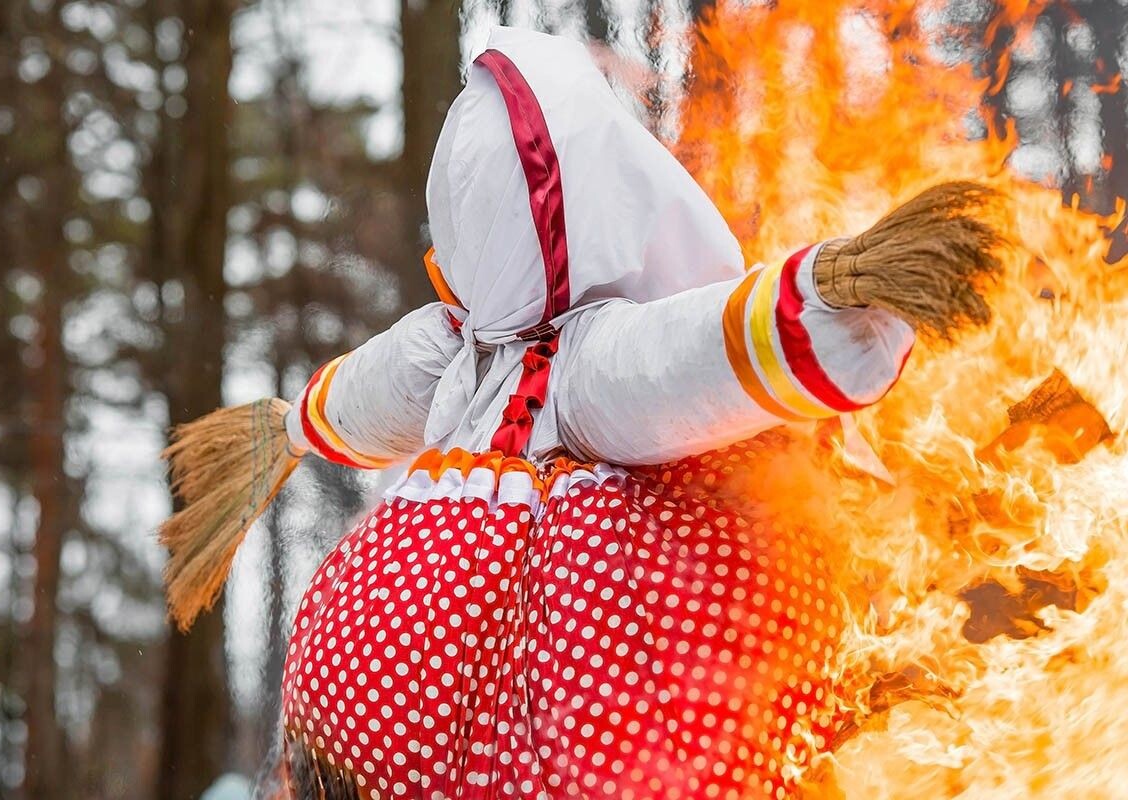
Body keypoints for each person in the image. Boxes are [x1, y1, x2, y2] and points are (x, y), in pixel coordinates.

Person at [163, 26, 1001, 800]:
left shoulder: (459, 345)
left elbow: (363, 394)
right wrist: (829, 302)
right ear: (615, 194)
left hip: (373, 693)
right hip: (564, 705)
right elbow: (697, 354)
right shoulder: (578, 359)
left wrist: (290, 429)